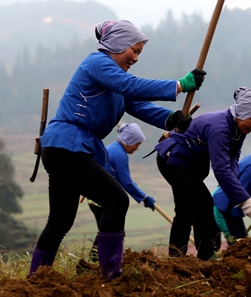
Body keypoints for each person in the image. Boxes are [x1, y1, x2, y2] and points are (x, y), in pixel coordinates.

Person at [29, 20, 206, 280]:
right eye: (133, 50)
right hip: (67, 146)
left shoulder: (115, 81)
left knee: (61, 220)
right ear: (117, 44)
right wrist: (179, 85)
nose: (135, 57)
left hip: (65, 148)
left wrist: (172, 119)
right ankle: (111, 274)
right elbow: (132, 86)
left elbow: (140, 105)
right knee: (116, 200)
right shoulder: (98, 63)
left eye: (139, 53)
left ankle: (36, 279)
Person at [154, 87, 251, 261]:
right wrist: (243, 199)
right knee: (200, 207)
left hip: (190, 165)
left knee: (191, 209)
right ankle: (199, 257)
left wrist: (234, 186)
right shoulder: (220, 127)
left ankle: (186, 257)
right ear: (243, 112)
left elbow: (233, 157)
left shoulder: (239, 128)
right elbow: (221, 168)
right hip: (174, 160)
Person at [87, 123, 155, 262]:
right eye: (136, 144)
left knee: (105, 230)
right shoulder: (119, 154)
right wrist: (144, 197)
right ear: (129, 140)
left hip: (96, 197)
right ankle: (103, 260)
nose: (136, 148)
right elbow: (126, 182)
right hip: (102, 199)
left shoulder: (113, 148)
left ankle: (99, 259)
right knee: (111, 230)